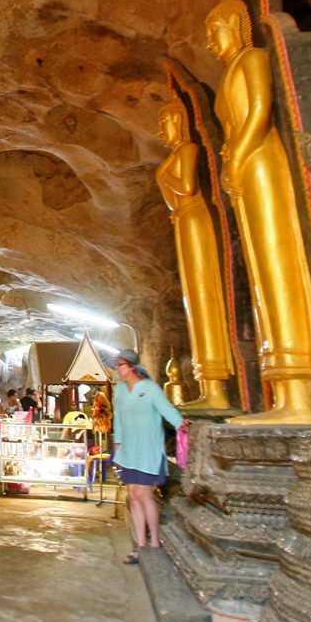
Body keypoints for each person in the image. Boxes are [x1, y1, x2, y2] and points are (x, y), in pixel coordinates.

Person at [206, 0, 311, 423]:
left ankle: (300, 393)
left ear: (236, 26)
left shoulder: (252, 60)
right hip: (243, 168)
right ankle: (284, 393)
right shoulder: (228, 73)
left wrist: (236, 157)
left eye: (214, 29)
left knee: (278, 264)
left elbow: (258, 112)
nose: (209, 41)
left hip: (261, 161)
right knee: (258, 268)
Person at [156, 99, 235, 409]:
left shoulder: (187, 151)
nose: (163, 130)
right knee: (195, 297)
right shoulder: (176, 154)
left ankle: (216, 384)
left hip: (194, 216)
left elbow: (186, 185)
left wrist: (163, 175)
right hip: (183, 219)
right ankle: (208, 386)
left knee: (205, 292)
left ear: (180, 121)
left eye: (166, 122)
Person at [108, 348, 186, 565]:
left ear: (131, 366)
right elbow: (119, 419)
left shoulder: (149, 388)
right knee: (133, 494)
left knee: (144, 494)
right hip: (129, 449)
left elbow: (166, 409)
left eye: (121, 365)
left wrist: (181, 424)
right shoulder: (120, 390)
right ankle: (141, 544)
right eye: (117, 365)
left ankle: (155, 541)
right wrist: (117, 447)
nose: (118, 369)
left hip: (148, 448)